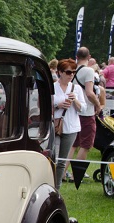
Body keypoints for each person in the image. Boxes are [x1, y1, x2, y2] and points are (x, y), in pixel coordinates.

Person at [68, 47, 102, 179]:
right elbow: (89, 93)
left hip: (74, 112)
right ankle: (76, 175)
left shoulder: (72, 70)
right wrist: (98, 105)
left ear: (76, 57)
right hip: (86, 112)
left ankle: (63, 172)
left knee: (73, 144)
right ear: (89, 57)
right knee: (86, 144)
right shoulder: (89, 71)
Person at [53, 59, 86, 188]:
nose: (71, 75)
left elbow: (83, 108)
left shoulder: (76, 88)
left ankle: (57, 188)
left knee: (62, 161)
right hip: (55, 126)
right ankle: (49, 184)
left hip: (71, 127)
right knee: (54, 158)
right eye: (68, 72)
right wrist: (58, 105)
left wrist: (75, 100)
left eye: (73, 72)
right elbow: (42, 105)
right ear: (60, 72)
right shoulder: (53, 87)